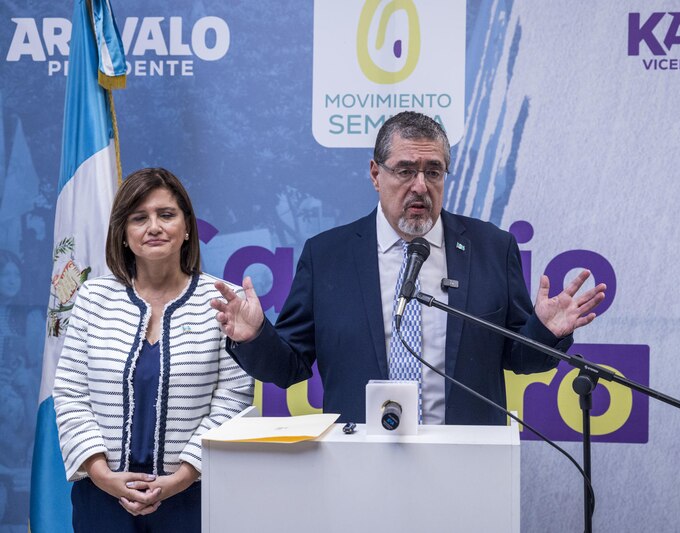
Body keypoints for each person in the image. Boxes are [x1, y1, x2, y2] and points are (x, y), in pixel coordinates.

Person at [212, 112, 605, 426]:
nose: (420, 185)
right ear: (375, 174)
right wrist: (255, 337)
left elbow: (522, 359)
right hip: (358, 463)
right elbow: (291, 366)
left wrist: (545, 332)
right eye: (405, 170)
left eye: (433, 171)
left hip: (463, 462)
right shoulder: (327, 256)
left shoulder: (491, 248)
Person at [53, 168, 253, 531]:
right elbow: (70, 394)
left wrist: (180, 478)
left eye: (166, 214)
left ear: (188, 227)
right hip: (102, 498)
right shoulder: (92, 299)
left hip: (194, 496)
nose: (154, 227)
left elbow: (234, 400)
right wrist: (101, 475)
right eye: (139, 218)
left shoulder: (224, 301)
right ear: (124, 234)